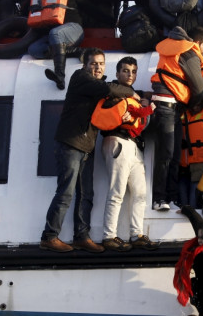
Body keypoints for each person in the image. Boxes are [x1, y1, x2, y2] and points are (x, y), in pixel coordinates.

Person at [40, 48, 138, 253]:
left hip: (87, 145)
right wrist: (131, 91)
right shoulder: (81, 78)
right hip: (71, 143)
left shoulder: (99, 86)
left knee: (86, 194)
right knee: (66, 192)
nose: (98, 67)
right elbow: (110, 90)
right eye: (94, 63)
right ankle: (49, 236)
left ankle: (81, 237)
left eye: (101, 64)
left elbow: (110, 105)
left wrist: (130, 111)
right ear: (86, 65)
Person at [150, 26, 203, 211]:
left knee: (172, 156)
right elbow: (197, 88)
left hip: (171, 106)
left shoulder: (182, 49)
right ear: (196, 43)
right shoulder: (189, 54)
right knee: (166, 156)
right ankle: (159, 198)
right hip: (168, 106)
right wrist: (194, 103)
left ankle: (170, 198)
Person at [92, 56, 160, 252]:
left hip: (135, 146)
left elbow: (142, 106)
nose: (129, 75)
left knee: (140, 193)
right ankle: (109, 236)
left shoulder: (135, 95)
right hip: (117, 141)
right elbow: (108, 110)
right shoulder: (111, 92)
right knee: (117, 192)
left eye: (133, 71)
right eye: (125, 71)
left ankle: (136, 234)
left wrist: (144, 98)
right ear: (117, 73)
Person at [27, 0, 85, 90]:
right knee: (33, 50)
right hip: (55, 37)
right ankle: (78, 51)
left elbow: (87, 6)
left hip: (74, 29)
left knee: (55, 33)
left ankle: (60, 75)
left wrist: (110, 20)